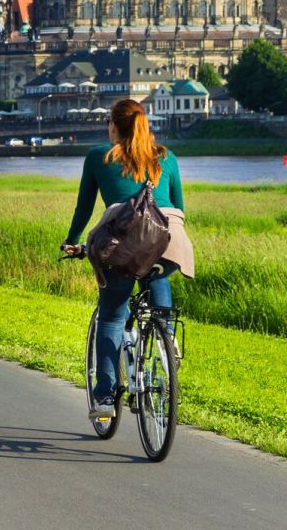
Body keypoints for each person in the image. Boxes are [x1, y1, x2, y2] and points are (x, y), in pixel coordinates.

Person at [60, 97, 194, 422]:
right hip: (168, 238)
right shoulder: (167, 157)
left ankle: (105, 397)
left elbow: (83, 208)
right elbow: (178, 206)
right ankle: (165, 335)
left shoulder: (98, 157)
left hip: (123, 242)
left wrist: (72, 241)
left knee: (111, 317)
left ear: (114, 126)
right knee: (157, 279)